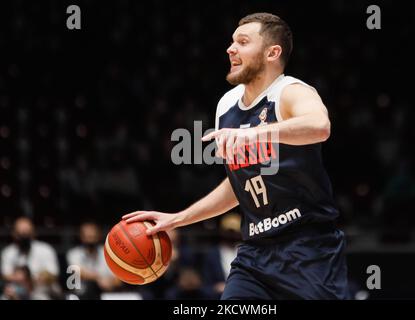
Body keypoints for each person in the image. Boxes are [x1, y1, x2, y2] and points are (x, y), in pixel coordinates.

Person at [123, 12, 349, 299]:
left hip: (308, 251)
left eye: (242, 42)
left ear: (272, 52)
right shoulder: (226, 105)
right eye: (232, 42)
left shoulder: (290, 92)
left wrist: (255, 133)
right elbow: (238, 184)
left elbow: (319, 126)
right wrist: (179, 218)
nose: (231, 49)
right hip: (254, 254)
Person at [66, 221, 121, 299]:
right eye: (88, 237)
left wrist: (111, 282)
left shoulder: (108, 253)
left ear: (98, 236)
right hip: (82, 294)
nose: (90, 240)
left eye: (93, 237)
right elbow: (78, 272)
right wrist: (99, 279)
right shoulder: (73, 253)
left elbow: (119, 279)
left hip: (108, 293)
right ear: (81, 237)